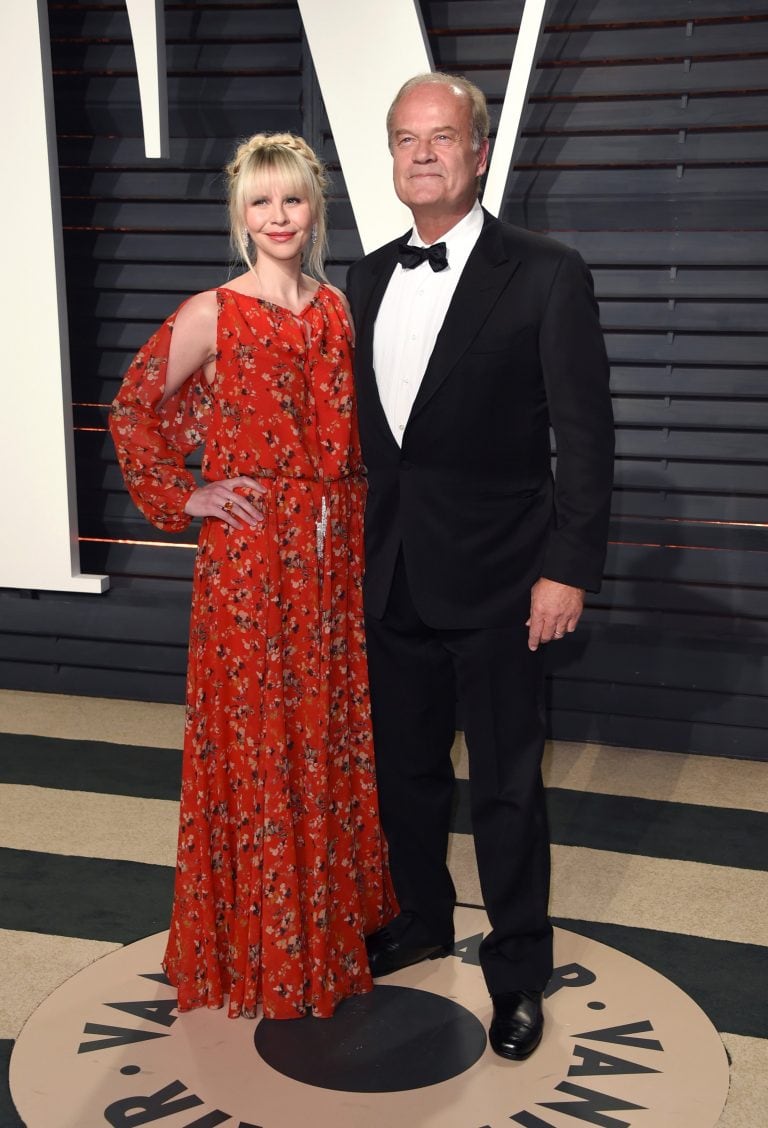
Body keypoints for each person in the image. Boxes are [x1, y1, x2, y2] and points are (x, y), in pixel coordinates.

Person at [346, 73, 614, 1060]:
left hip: (506, 584)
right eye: (406, 139)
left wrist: (567, 568)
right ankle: (419, 918)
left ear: (478, 152)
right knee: (404, 778)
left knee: (506, 788)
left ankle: (516, 974)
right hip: (393, 577)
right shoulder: (363, 277)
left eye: (442, 136)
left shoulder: (546, 271)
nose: (423, 153)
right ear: (393, 158)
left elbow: (586, 439)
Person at [110, 132, 397, 1021]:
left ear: (316, 210)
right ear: (241, 213)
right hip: (252, 562)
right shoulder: (212, 313)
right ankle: (258, 950)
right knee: (262, 737)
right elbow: (133, 411)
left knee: (328, 731)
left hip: (330, 555)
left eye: (294, 200)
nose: (279, 217)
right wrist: (190, 495)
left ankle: (326, 928)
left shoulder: (340, 309)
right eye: (262, 202)